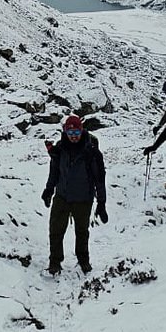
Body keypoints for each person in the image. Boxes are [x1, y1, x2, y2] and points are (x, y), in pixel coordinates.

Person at [41, 114, 107, 274]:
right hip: (62, 196)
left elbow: (99, 178)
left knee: (82, 231)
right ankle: (55, 261)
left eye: (76, 133)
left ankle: (83, 260)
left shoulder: (91, 151)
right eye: (70, 133)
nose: (74, 137)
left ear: (82, 131)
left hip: (83, 198)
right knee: (55, 230)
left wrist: (101, 203)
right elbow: (54, 172)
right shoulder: (60, 149)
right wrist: (49, 190)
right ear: (65, 133)